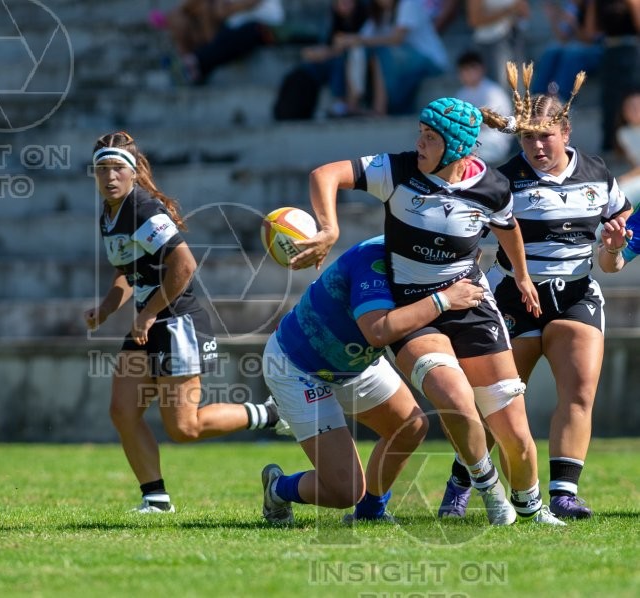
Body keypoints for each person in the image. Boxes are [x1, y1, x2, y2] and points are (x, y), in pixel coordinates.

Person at [294, 96, 565, 526]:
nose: (419, 144)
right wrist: (330, 226)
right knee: (455, 400)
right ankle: (489, 490)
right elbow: (324, 174)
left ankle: (532, 507)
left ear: (456, 148)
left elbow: (508, 228)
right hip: (415, 309)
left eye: (430, 138)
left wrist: (523, 277)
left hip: (471, 304)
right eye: (420, 133)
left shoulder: (491, 186)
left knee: (515, 434)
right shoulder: (396, 171)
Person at [466, 63, 632, 518]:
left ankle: (563, 492)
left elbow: (611, 264)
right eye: (527, 138)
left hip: (577, 296)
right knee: (494, 404)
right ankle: (465, 480)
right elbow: (471, 246)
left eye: (546, 136)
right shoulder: (500, 180)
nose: (537, 147)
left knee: (579, 394)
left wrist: (614, 248)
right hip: (514, 301)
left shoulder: (599, 175)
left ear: (566, 131)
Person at [84, 131, 280, 514]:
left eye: (117, 168)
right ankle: (155, 499)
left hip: (177, 324)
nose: (109, 177)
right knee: (123, 410)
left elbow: (184, 265)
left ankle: (270, 414)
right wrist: (107, 308)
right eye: (101, 169)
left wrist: (148, 313)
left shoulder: (143, 208)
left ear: (134, 171)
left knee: (184, 428)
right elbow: (127, 273)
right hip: (149, 322)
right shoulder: (109, 213)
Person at [261, 236, 485, 525]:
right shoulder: (376, 258)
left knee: (410, 427)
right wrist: (443, 300)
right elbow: (378, 331)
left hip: (354, 363)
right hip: (299, 368)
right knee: (345, 492)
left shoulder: (434, 257)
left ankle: (370, 512)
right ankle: (278, 488)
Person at [181, 0, 285, 85]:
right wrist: (236, 7)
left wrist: (234, 7)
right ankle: (198, 65)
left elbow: (250, 3)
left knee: (248, 31)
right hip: (238, 27)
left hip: (267, 27)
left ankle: (197, 61)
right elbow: (221, 11)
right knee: (226, 34)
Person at [583, 0, 640, 152]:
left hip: (631, 50)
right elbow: (590, 33)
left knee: (633, 97)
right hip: (610, 50)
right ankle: (610, 144)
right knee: (610, 100)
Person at [454, 50, 516, 166]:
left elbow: (485, 123)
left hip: (494, 140)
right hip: (474, 138)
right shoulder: (461, 94)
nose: (468, 73)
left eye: (472, 68)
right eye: (464, 70)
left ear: (481, 69)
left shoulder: (493, 92)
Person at [530, 0, 602, 100]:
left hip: (600, 49)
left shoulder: (594, 5)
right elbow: (562, 37)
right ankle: (536, 96)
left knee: (572, 53)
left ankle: (559, 96)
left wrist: (574, 23)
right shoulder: (573, 7)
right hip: (578, 47)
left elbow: (588, 37)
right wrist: (554, 17)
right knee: (552, 50)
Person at [466, 0, 531, 84]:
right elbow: (474, 20)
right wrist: (507, 11)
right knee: (500, 86)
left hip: (515, 39)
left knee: (520, 85)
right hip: (490, 44)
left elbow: (525, 12)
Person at [615, 91, 640, 198]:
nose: (634, 110)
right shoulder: (623, 134)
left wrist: (627, 177)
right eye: (629, 107)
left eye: (637, 106)